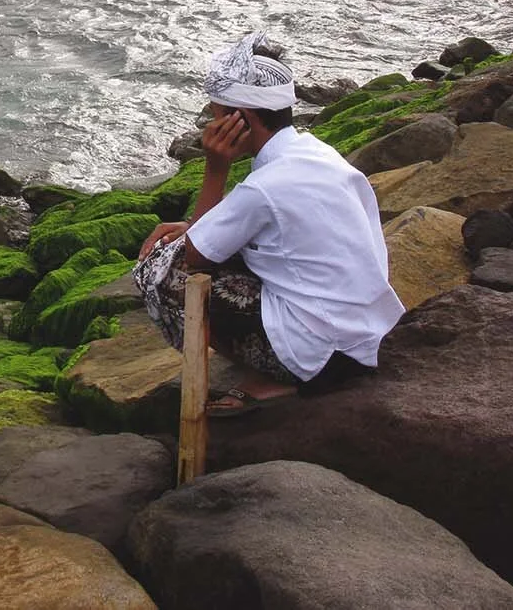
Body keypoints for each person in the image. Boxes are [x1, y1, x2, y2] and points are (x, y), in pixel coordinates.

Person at [133, 32, 404, 416]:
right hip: (363, 337)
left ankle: (276, 375)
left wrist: (216, 169)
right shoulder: (315, 152)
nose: (209, 125)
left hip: (321, 355)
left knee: (162, 268)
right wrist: (196, 223)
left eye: (215, 115)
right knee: (219, 247)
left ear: (239, 120)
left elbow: (193, 255)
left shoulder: (263, 187)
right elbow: (254, 220)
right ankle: (282, 358)